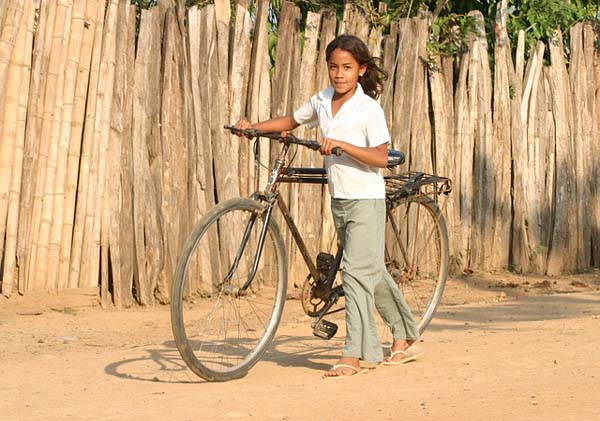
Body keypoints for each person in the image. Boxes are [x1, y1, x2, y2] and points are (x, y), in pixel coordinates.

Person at [234, 34, 422, 379]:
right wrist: (253, 128)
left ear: (361, 70)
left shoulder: (369, 109)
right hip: (339, 198)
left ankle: (354, 354)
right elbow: (292, 120)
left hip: (366, 198)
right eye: (334, 67)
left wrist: (343, 145)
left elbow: (381, 157)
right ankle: (406, 335)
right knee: (369, 271)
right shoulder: (322, 101)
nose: (339, 74)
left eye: (347, 68)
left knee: (354, 272)